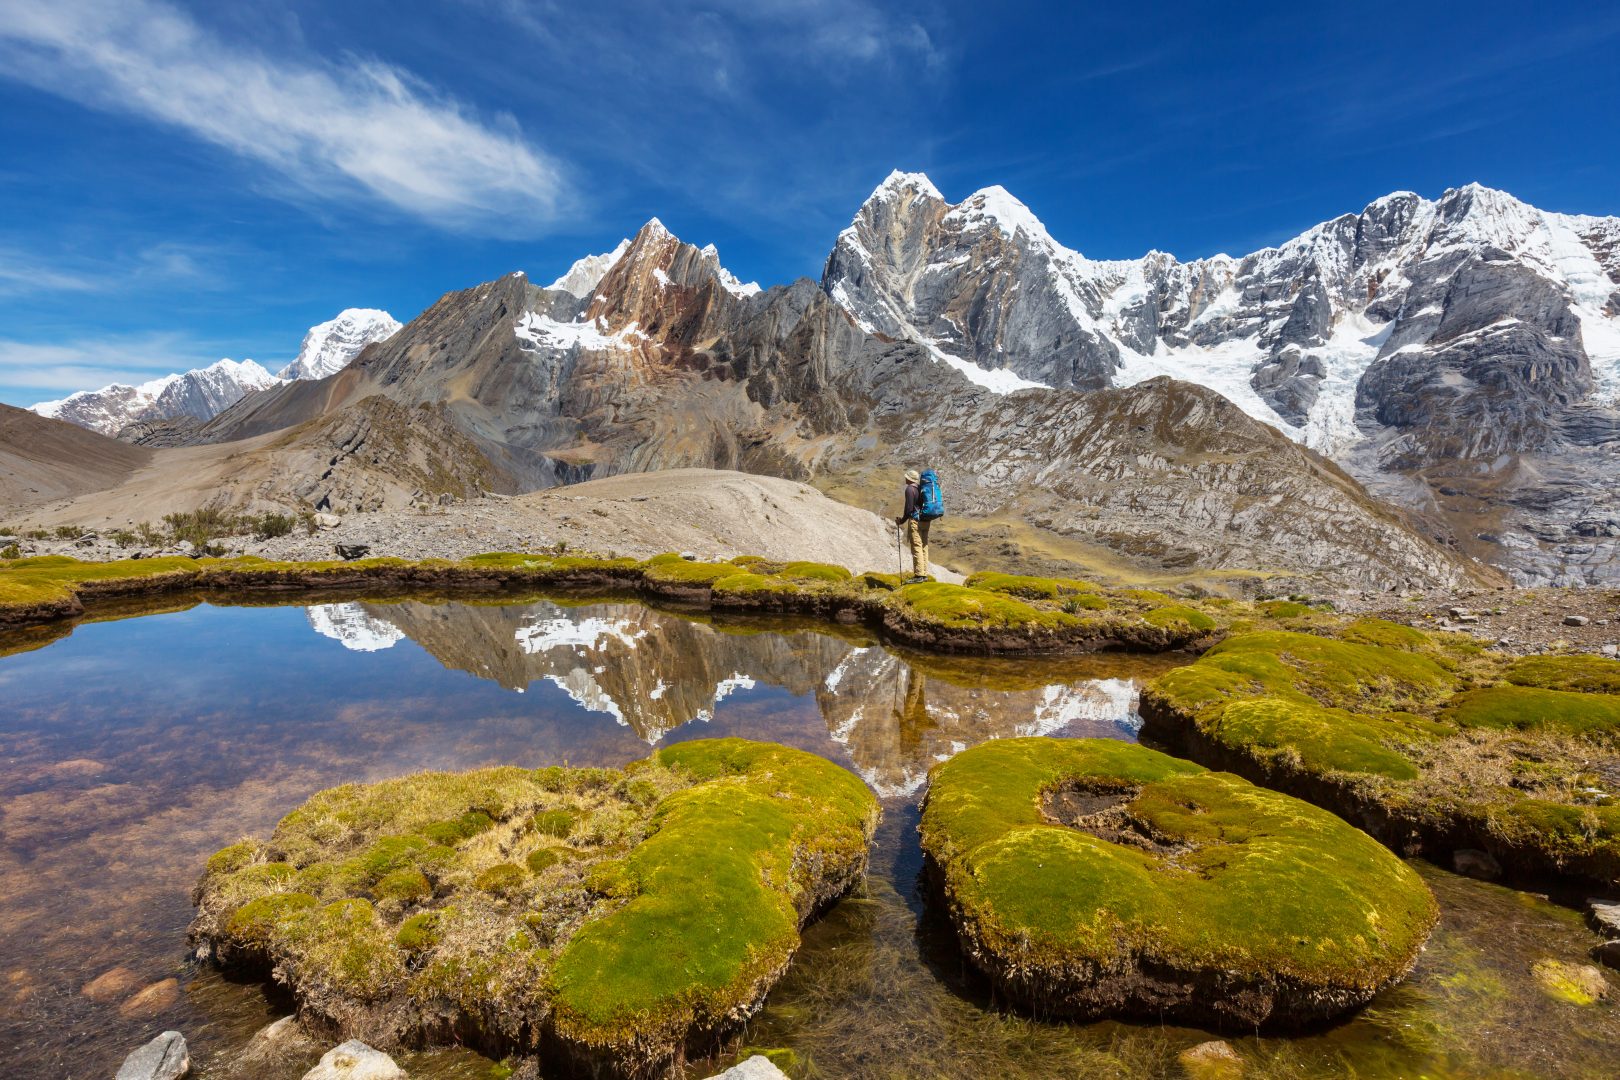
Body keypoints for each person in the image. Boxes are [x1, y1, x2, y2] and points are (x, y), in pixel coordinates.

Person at [897, 468, 930, 582]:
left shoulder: (910, 489)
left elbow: (909, 509)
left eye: (906, 477)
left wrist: (901, 521)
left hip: (915, 521)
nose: (905, 478)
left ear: (909, 479)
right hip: (926, 521)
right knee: (924, 546)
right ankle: (924, 573)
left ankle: (919, 575)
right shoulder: (921, 488)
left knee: (916, 546)